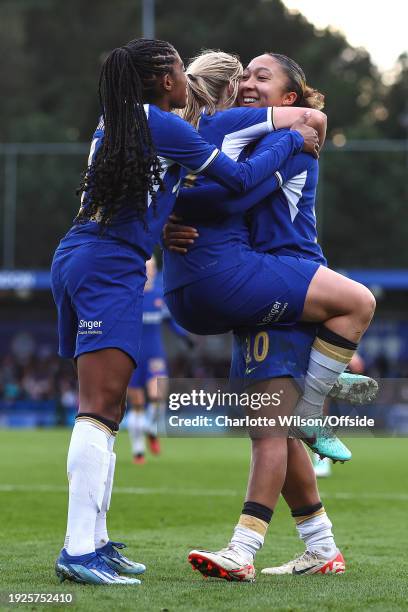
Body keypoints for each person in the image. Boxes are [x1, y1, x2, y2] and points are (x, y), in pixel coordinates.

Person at [50, 38, 317, 586]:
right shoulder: (166, 126)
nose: (183, 77)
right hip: (108, 263)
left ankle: (95, 543)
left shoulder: (122, 121)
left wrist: (165, 221)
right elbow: (239, 181)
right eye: (176, 69)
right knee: (98, 409)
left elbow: (153, 190)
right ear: (163, 81)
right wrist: (290, 141)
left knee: (108, 409)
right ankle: (78, 550)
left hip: (85, 254)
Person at [162, 51, 376, 580]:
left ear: (289, 100)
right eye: (243, 77)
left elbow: (231, 197)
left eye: (262, 77)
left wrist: (176, 209)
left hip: (286, 279)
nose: (247, 84)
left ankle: (243, 549)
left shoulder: (294, 149)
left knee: (268, 430)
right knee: (269, 427)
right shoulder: (247, 142)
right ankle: (323, 549)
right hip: (261, 285)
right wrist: (168, 221)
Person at [127, 256, 192, 464]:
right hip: (133, 354)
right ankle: (138, 451)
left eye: (153, 267)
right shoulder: (131, 296)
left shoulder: (159, 296)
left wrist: (186, 338)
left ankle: (150, 428)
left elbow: (171, 322)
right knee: (136, 403)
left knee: (158, 395)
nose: (151, 271)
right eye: (147, 268)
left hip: (154, 354)